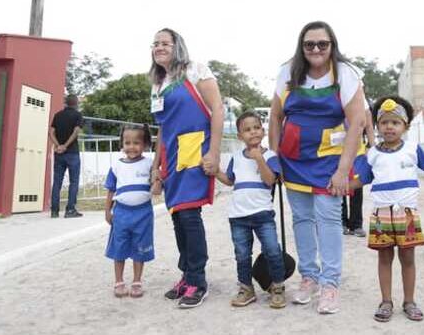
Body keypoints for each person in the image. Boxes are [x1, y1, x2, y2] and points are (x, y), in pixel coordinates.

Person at [268, 21, 367, 314]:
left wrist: (342, 171)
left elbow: (357, 123)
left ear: (332, 46)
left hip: (329, 160)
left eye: (322, 44)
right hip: (294, 159)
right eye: (309, 44)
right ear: (301, 47)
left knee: (329, 219)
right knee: (301, 218)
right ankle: (309, 276)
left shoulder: (346, 73)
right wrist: (275, 158)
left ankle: (330, 283)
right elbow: (275, 117)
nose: (315, 49)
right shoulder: (288, 71)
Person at [352, 96, 424, 323]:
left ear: (405, 126)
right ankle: (386, 301)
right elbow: (361, 181)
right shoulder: (372, 154)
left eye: (395, 123)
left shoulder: (412, 149)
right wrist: (338, 186)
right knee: (384, 258)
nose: (389, 127)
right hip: (381, 215)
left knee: (408, 258)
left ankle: (409, 301)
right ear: (377, 126)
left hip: (406, 214)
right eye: (385, 122)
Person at [148, 28, 224, 309]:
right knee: (178, 216)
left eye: (165, 43)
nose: (159, 47)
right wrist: (156, 168)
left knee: (190, 215)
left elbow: (217, 108)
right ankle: (186, 274)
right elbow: (162, 128)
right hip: (172, 155)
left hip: (196, 151)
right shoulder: (157, 83)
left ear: (177, 46)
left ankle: (198, 280)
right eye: (155, 43)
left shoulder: (195, 70)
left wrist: (214, 152)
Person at [215, 111, 287, 309]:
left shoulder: (270, 156)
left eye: (256, 128)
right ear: (240, 136)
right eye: (247, 130)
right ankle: (246, 288)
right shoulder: (236, 157)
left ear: (263, 131)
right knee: (241, 254)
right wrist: (215, 172)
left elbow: (270, 180)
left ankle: (278, 287)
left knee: (272, 250)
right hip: (238, 216)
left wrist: (259, 159)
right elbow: (230, 181)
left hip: (263, 214)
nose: (253, 132)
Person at [104, 125, 155, 298]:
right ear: (122, 144)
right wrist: (107, 212)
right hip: (121, 214)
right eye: (127, 142)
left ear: (146, 144)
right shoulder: (116, 165)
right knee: (119, 247)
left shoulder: (150, 164)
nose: (131, 147)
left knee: (140, 248)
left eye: (136, 143)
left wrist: (158, 181)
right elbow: (111, 190)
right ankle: (118, 281)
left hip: (144, 214)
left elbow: (157, 183)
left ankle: (137, 281)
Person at [342, 108, 376, 237]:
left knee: (357, 185)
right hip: (337, 148)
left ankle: (356, 224)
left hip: (357, 150)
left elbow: (369, 127)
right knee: (339, 185)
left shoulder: (362, 103)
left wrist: (373, 148)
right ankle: (342, 222)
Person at [48, 94, 84, 218]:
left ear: (66, 103)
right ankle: (70, 210)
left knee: (57, 182)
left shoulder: (58, 115)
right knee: (74, 181)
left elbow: (51, 132)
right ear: (76, 103)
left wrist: (58, 145)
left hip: (59, 154)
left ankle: (54, 211)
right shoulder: (78, 115)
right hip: (72, 152)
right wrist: (66, 145)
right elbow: (76, 131)